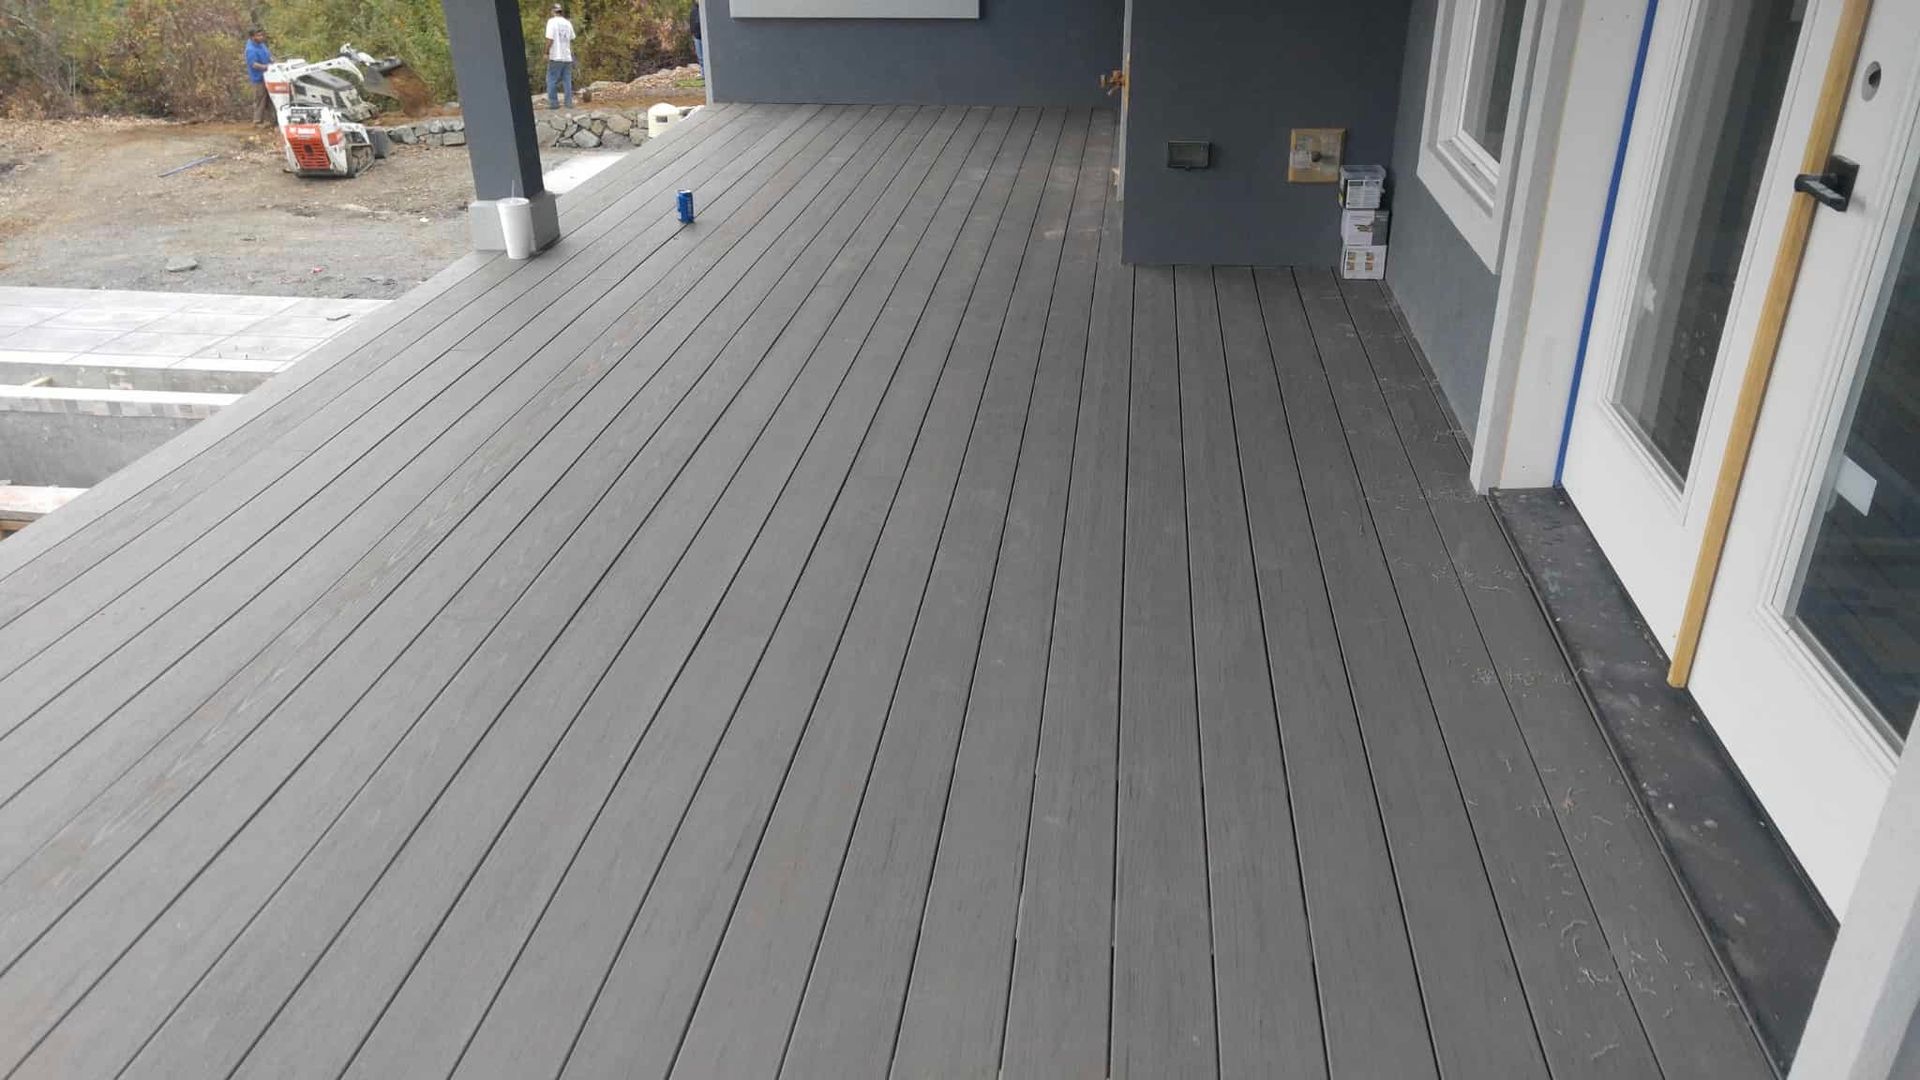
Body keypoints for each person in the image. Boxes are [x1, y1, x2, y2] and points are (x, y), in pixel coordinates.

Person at [545, 4, 576, 110]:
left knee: (551, 79)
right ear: (561, 11)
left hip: (556, 56)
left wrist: (546, 52)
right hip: (567, 56)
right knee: (567, 80)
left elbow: (550, 39)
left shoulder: (551, 22)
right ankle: (568, 103)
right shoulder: (568, 23)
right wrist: (572, 54)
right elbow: (571, 39)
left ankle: (554, 104)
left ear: (553, 11)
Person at [245, 29, 276, 128]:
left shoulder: (261, 45)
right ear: (252, 37)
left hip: (269, 76)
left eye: (261, 35)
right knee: (260, 100)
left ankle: (273, 121)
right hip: (258, 78)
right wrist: (267, 67)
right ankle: (257, 121)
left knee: (271, 99)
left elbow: (268, 55)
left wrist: (273, 61)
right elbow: (253, 64)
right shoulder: (250, 49)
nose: (261, 37)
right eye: (258, 36)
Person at [689, 2, 703, 70]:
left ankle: (706, 74)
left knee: (705, 57)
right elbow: (691, 22)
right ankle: (703, 74)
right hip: (697, 36)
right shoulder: (693, 10)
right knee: (700, 57)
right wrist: (692, 33)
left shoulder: (704, 9)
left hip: (704, 36)